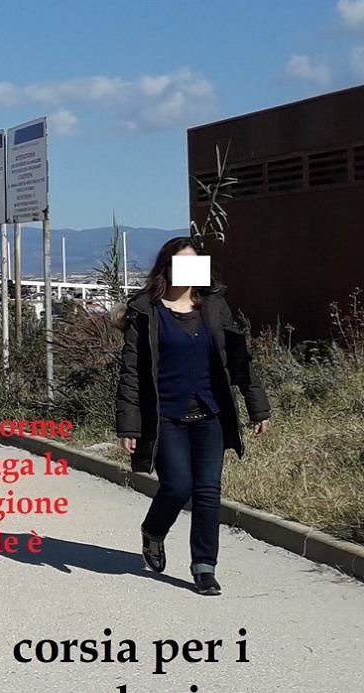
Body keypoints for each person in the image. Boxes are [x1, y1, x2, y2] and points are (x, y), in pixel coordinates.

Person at [116, 237, 272, 596]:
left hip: (210, 414)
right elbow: (131, 373)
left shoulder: (214, 306)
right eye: (180, 263)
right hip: (167, 416)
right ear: (166, 268)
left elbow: (239, 360)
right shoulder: (146, 311)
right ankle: (154, 530)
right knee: (178, 485)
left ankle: (204, 567)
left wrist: (257, 406)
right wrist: (129, 425)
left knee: (207, 491)